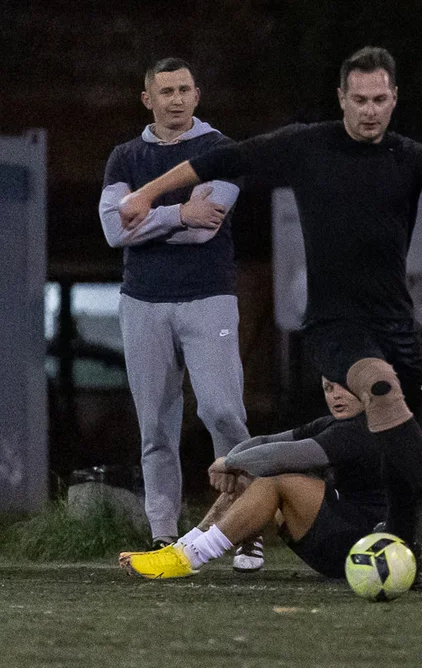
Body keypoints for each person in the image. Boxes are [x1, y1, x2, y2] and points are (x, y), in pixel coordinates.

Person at [117, 46, 422, 577]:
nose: (370, 110)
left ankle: (406, 554)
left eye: (380, 100)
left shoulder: (407, 156)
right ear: (341, 98)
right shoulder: (307, 144)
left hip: (396, 323)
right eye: (360, 99)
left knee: (399, 448)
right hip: (334, 324)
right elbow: (223, 158)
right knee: (380, 385)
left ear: (394, 100)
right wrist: (147, 192)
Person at [99, 57, 262, 571]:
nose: (175, 99)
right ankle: (162, 535)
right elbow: (111, 230)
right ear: (147, 98)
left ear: (198, 95)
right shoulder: (123, 157)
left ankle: (246, 526)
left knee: (222, 412)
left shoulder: (221, 150)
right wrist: (177, 212)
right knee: (155, 427)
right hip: (141, 300)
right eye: (165, 90)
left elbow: (205, 226)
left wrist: (146, 216)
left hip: (208, 295)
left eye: (184, 89)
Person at [120, 378, 397, 582]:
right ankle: (184, 547)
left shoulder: (364, 429)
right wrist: (234, 464)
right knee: (254, 469)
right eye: (328, 388)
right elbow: (264, 442)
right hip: (343, 540)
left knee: (273, 478)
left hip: (368, 547)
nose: (335, 395)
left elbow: (285, 455)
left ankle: (190, 557)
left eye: (342, 387)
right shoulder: (332, 424)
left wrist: (228, 463)